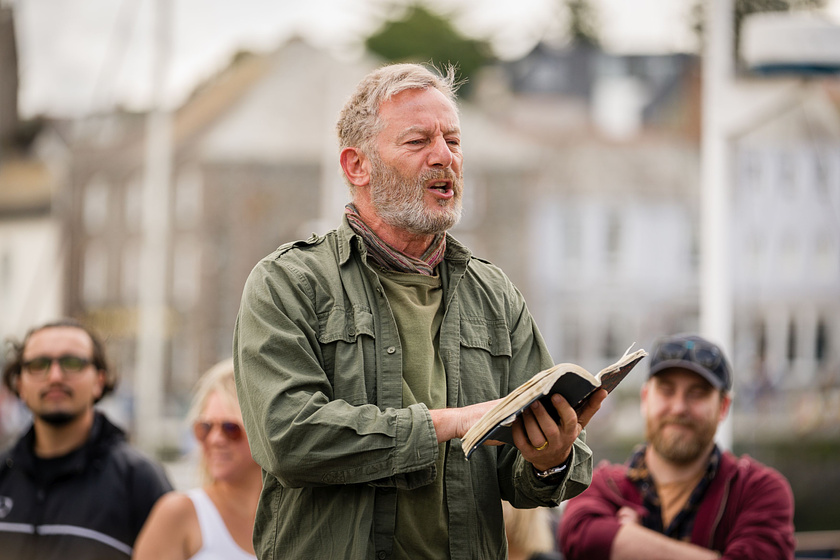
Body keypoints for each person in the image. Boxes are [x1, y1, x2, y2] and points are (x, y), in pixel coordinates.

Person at [233, 62, 606, 560]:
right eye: (418, 141)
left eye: (453, 141)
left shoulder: (494, 295)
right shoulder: (289, 283)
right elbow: (289, 438)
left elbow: (534, 476)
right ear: (356, 166)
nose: (444, 157)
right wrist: (449, 424)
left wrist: (550, 457)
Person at [559, 333, 796, 560]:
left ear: (723, 406)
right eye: (667, 390)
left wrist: (633, 544)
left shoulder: (757, 491)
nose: (679, 407)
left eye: (697, 393)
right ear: (645, 398)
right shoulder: (604, 487)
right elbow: (579, 537)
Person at [0, 318, 173, 560]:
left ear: (99, 381)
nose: (55, 376)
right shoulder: (3, 473)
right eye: (39, 364)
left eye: (72, 363)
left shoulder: (139, 482)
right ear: (19, 383)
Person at [133, 358, 261, 560]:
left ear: (262, 431)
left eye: (230, 428)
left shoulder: (297, 518)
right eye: (205, 427)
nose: (215, 439)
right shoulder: (178, 513)